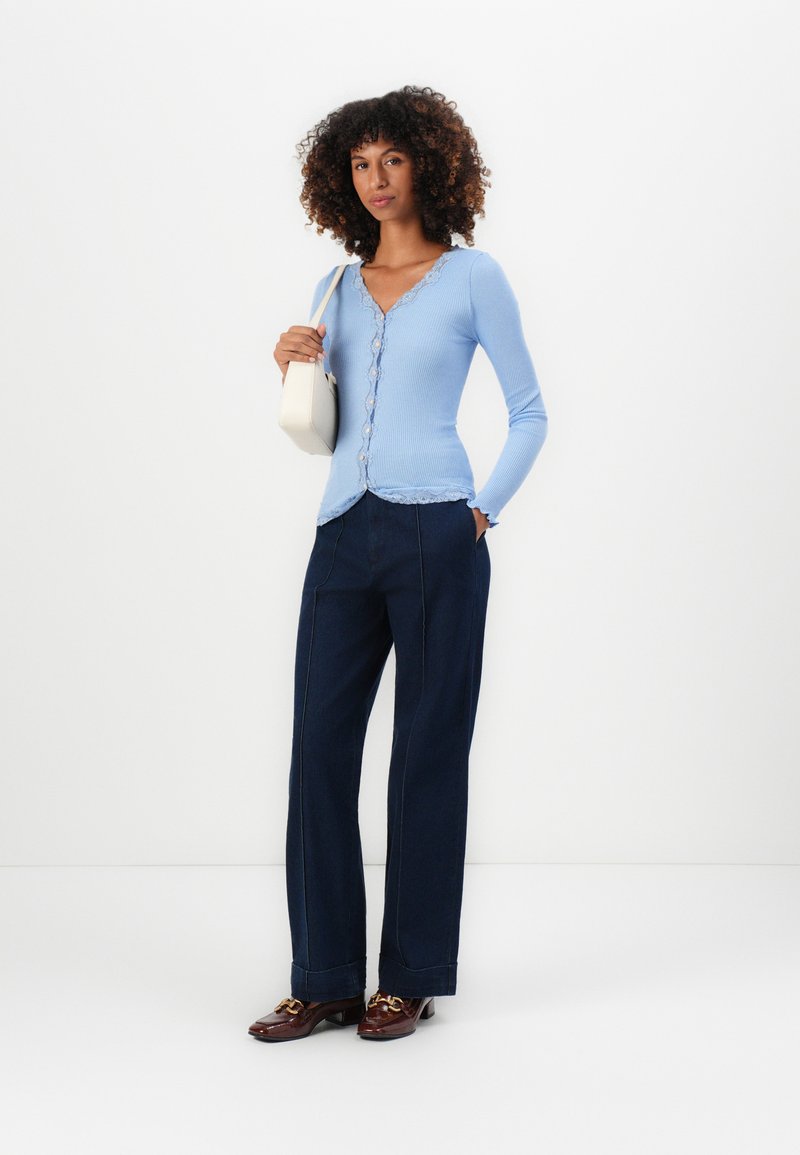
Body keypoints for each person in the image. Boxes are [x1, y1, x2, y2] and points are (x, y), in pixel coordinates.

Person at [248, 85, 548, 1043]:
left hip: (437, 535)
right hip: (343, 532)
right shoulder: (334, 288)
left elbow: (531, 411)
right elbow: (333, 424)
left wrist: (480, 513)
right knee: (318, 752)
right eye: (360, 163)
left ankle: (408, 976)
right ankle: (324, 977)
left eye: (393, 159)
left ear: (430, 165)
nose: (376, 179)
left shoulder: (472, 277)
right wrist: (295, 363)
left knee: (426, 752)